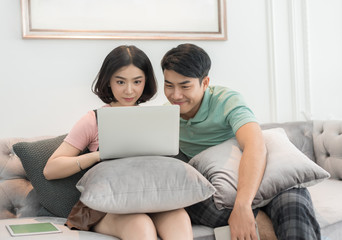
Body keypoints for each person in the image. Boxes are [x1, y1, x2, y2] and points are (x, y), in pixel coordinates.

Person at [161, 43, 321, 240]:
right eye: (169, 85)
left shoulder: (227, 100)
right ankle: (259, 217)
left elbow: (255, 146)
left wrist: (243, 206)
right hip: (218, 189)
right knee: (191, 200)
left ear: (204, 83)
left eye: (185, 86)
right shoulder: (166, 116)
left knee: (294, 206)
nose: (175, 95)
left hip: (261, 177)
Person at [43, 45, 193, 240]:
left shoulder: (158, 118)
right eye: (120, 81)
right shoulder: (93, 119)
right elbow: (51, 169)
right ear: (108, 82)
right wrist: (99, 155)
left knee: (179, 218)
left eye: (137, 81)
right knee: (141, 226)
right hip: (108, 207)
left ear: (145, 81)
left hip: (154, 198)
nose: (129, 90)